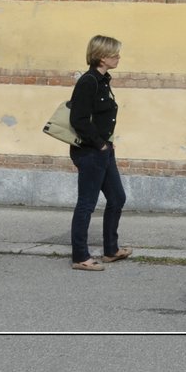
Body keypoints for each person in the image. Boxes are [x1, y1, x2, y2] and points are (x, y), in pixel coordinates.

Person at [68, 35, 127, 274]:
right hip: (91, 152)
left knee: (117, 198)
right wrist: (100, 144)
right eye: (114, 54)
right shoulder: (88, 81)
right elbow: (78, 119)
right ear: (102, 56)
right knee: (87, 203)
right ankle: (80, 256)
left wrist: (106, 146)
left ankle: (110, 250)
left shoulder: (103, 80)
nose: (118, 57)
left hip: (104, 150)